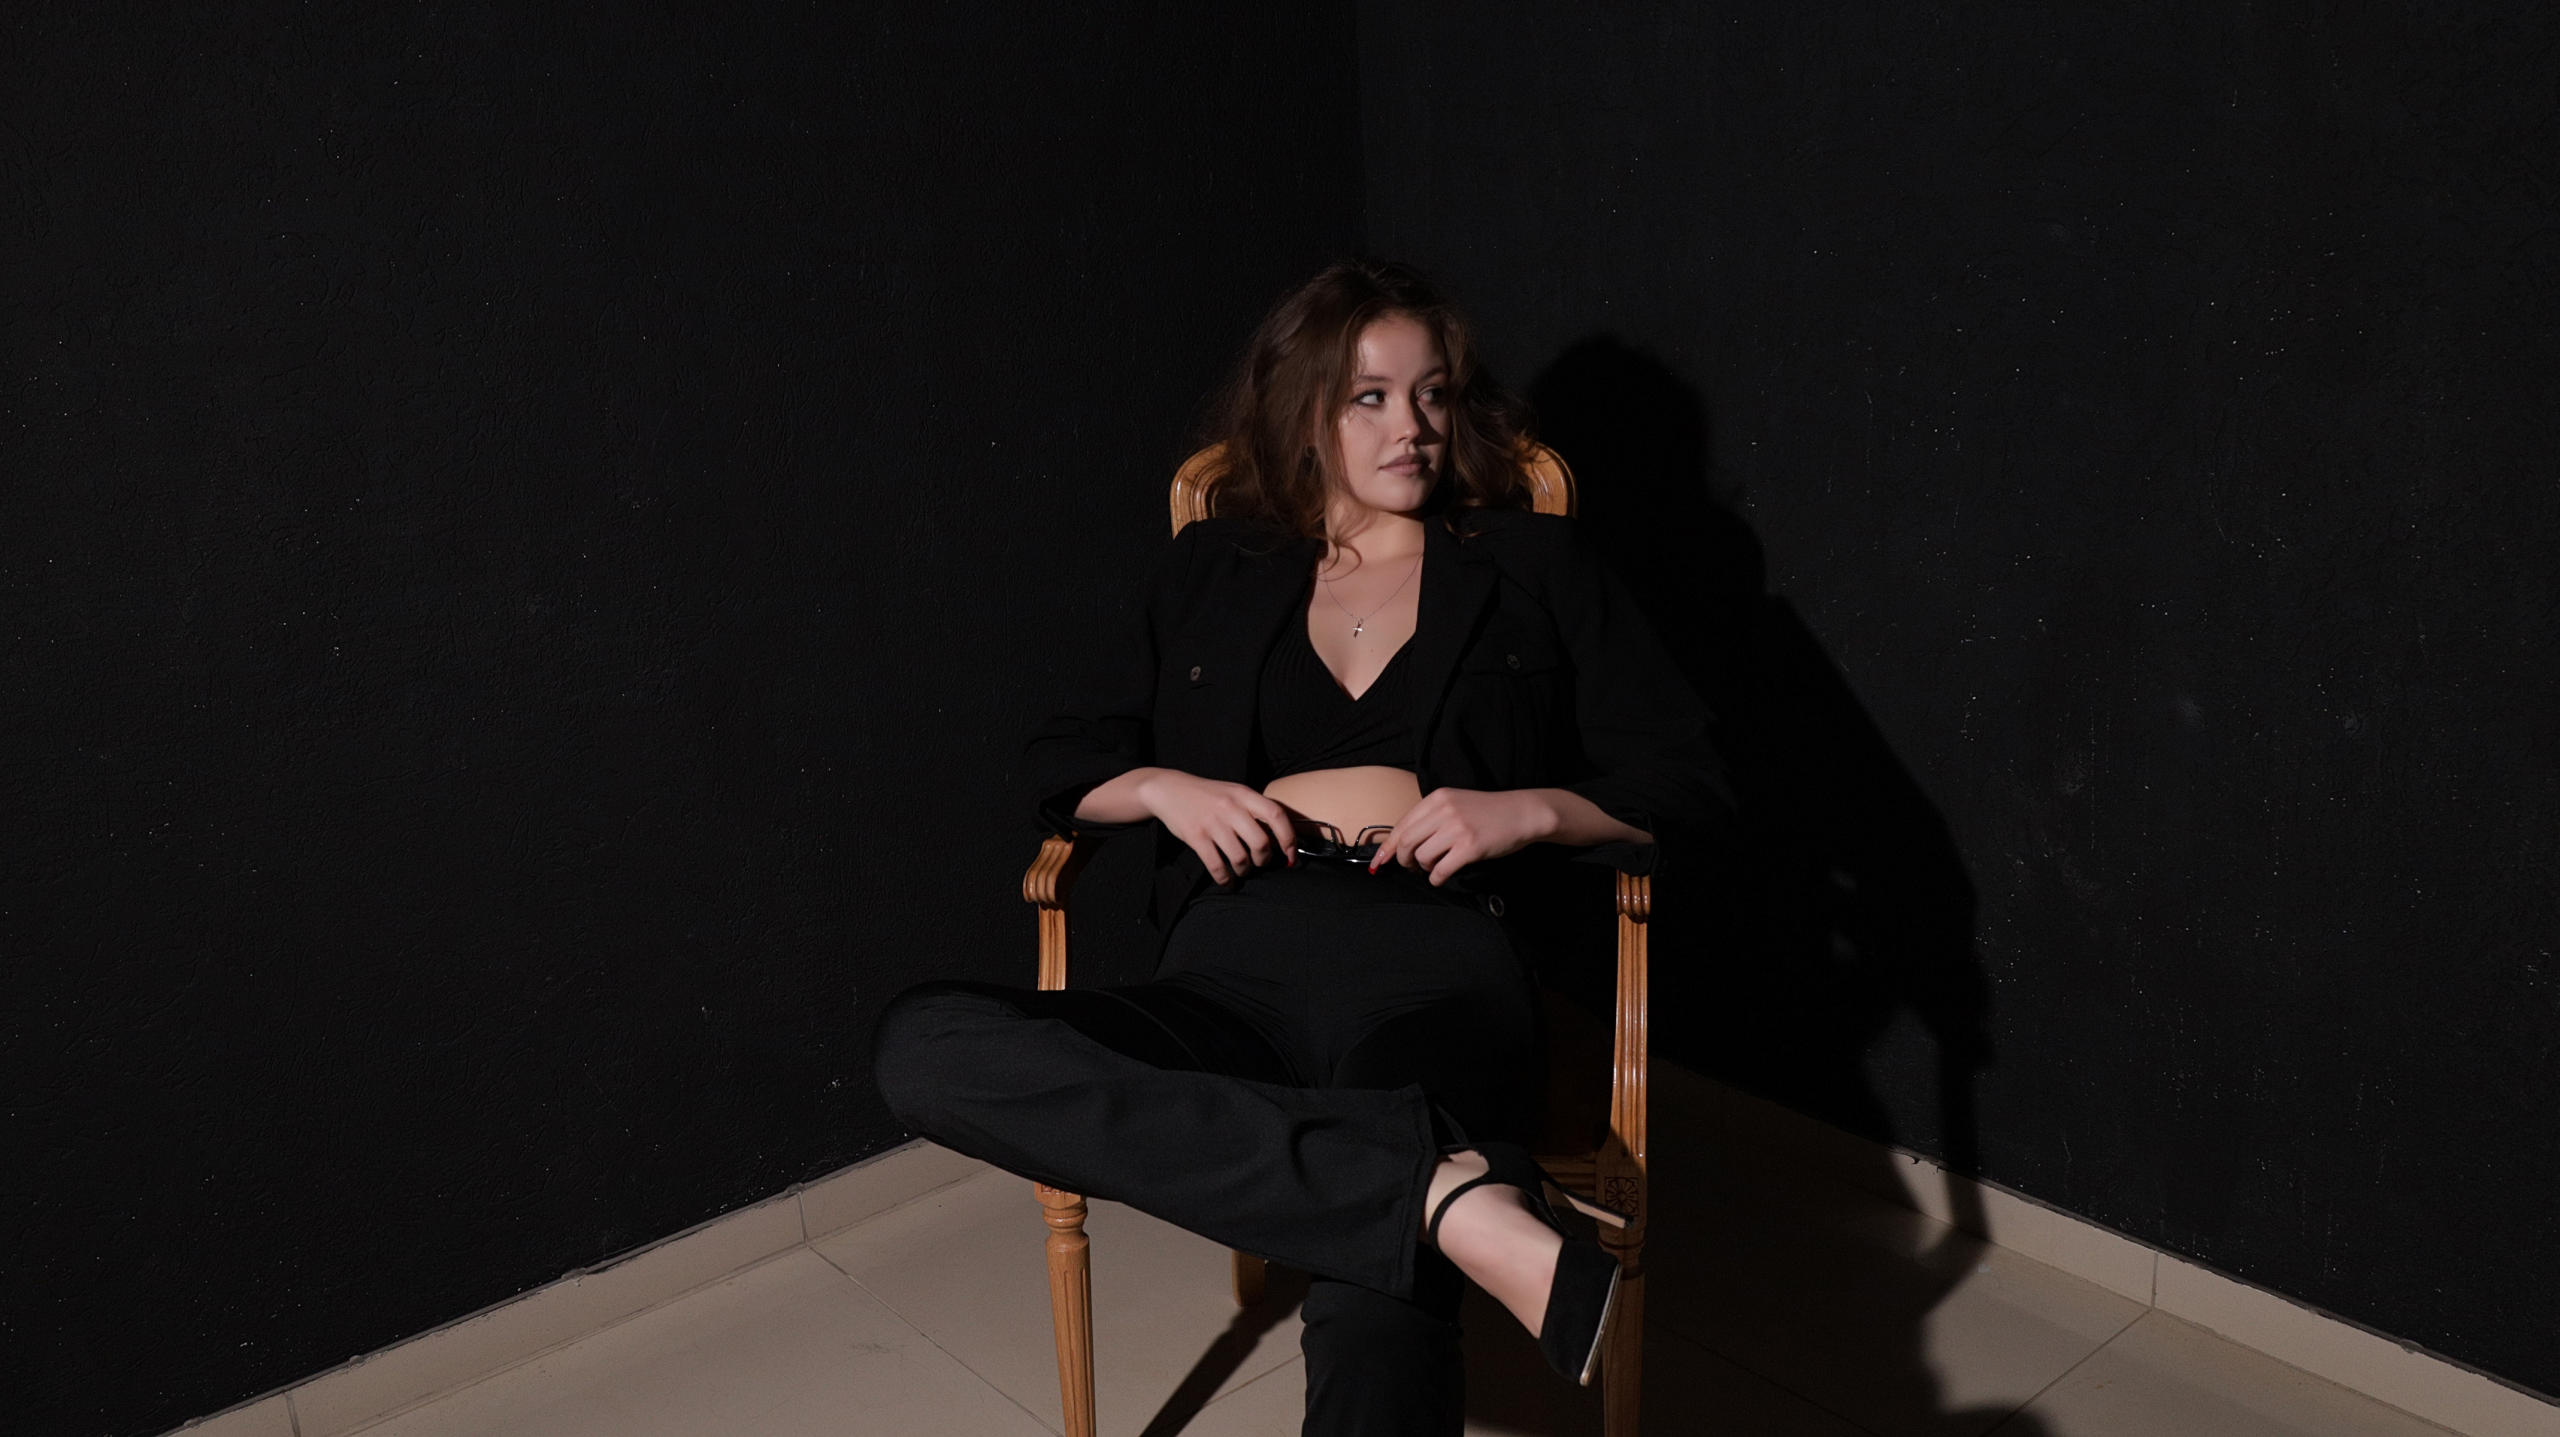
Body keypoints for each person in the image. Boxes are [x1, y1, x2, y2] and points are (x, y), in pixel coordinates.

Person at [872, 260, 1728, 1434]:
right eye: (1368, 397)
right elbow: (1060, 758)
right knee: (926, 1047)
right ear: (1303, 410)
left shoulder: (1531, 564)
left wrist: (1528, 809)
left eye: (1433, 394)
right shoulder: (1214, 568)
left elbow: (1689, 782)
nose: (1411, 427)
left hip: (1435, 963)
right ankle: (1439, 1195)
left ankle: (1406, 1197)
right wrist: (1164, 788)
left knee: (1376, 1308)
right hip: (1231, 961)